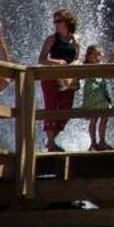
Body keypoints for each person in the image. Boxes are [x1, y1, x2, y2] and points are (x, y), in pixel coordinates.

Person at [36, 9, 81, 150]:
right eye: (54, 21)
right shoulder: (51, 39)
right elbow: (42, 59)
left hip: (69, 78)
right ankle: (50, 143)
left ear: (67, 22)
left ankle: (51, 140)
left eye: (58, 21)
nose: (55, 24)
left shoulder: (76, 39)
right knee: (51, 107)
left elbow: (78, 57)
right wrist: (57, 62)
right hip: (51, 77)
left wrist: (76, 64)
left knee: (66, 109)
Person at [80, 45, 114, 150]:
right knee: (94, 118)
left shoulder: (103, 65)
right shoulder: (86, 66)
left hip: (102, 93)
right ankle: (93, 143)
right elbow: (80, 76)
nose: (97, 57)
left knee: (104, 117)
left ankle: (102, 141)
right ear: (89, 57)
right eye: (95, 55)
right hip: (93, 93)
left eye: (99, 55)